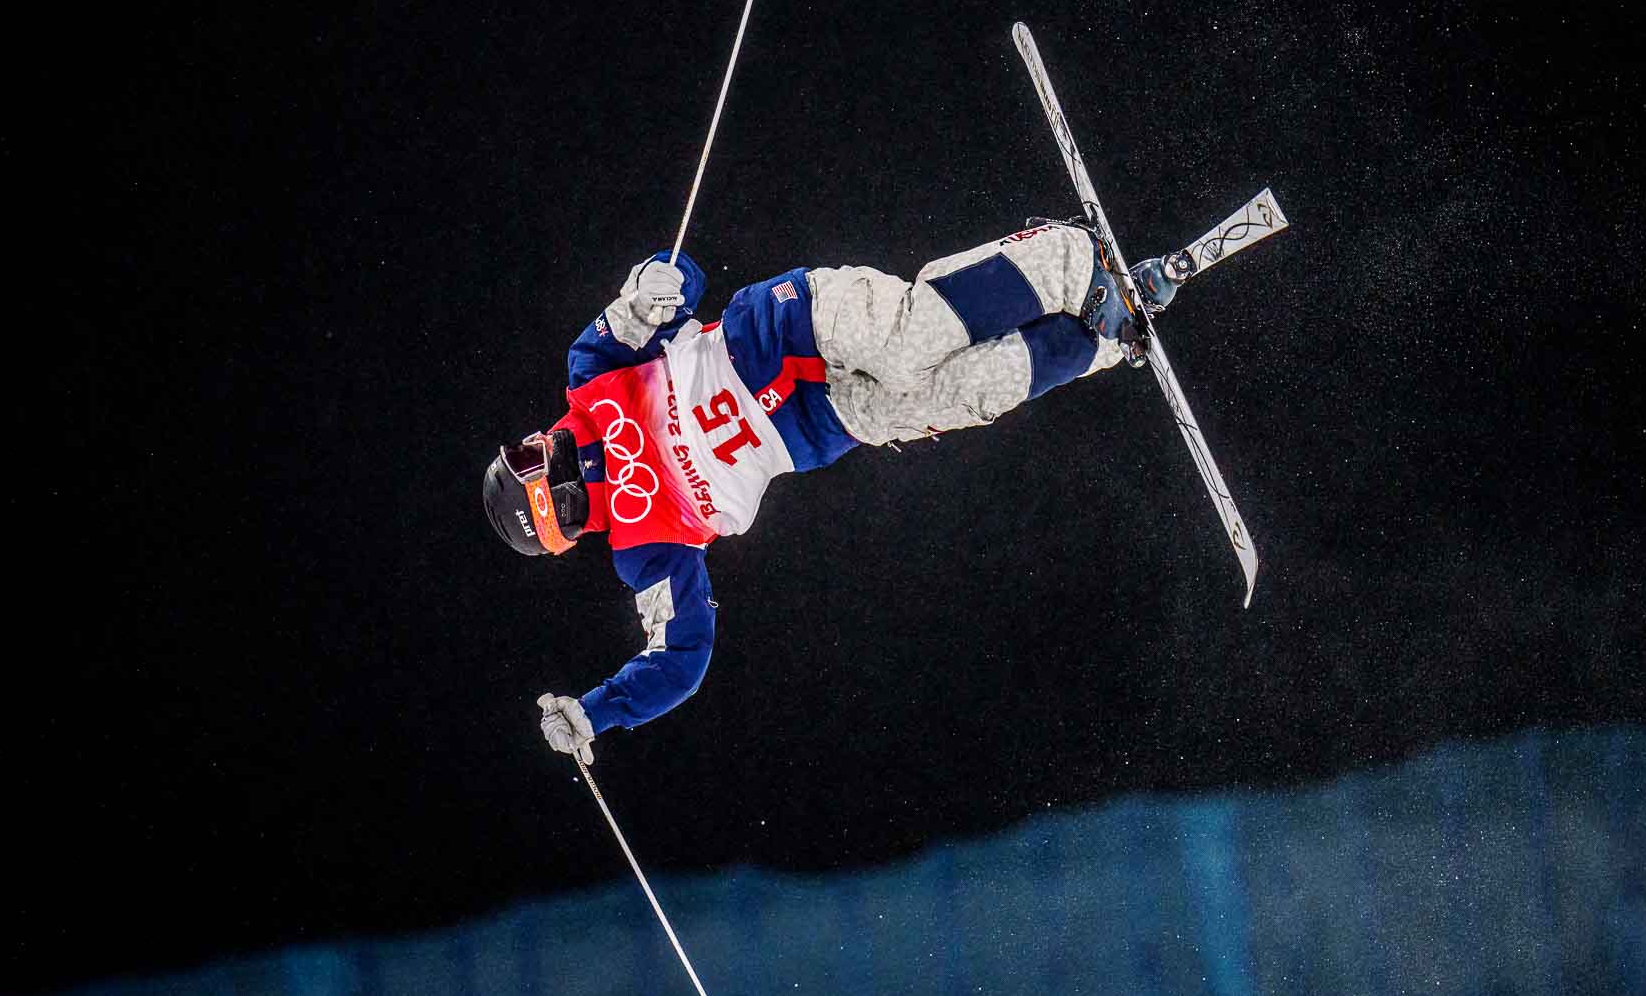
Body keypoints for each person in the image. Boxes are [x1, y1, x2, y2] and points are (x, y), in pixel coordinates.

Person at [485, 220, 1188, 764]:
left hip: (785, 326)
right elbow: (681, 658)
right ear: (555, 507)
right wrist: (598, 711)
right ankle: (1101, 334)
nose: (542, 443)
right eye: (532, 461)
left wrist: (648, 288)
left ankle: (1065, 254)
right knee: (967, 391)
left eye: (526, 447)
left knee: (910, 341)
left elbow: (673, 284)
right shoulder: (646, 552)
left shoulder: (591, 376)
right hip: (822, 422)